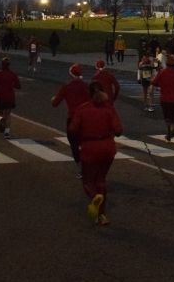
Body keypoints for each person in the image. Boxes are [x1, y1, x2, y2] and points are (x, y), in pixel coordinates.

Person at [68, 81, 123, 226]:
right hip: (107, 147)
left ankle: (94, 197)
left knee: (88, 181)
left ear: (89, 93)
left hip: (89, 147)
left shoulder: (82, 109)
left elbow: (73, 129)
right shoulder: (109, 109)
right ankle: (102, 215)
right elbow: (118, 131)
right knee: (101, 180)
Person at [51, 64, 91, 173]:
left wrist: (53, 99)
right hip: (86, 118)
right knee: (86, 142)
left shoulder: (67, 86)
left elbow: (55, 103)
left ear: (71, 73)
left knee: (74, 144)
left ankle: (80, 167)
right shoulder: (85, 86)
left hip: (73, 118)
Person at [151, 55, 174, 141]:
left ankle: (170, 131)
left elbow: (154, 82)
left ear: (166, 63)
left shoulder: (162, 72)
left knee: (166, 117)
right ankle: (171, 130)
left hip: (165, 97)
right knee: (172, 115)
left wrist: (160, 84)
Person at [0, 57, 21, 138]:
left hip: (0, 97)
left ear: (2, 65)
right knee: (8, 114)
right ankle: (7, 132)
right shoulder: (13, 74)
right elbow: (18, 86)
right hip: (10, 97)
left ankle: (1, 119)